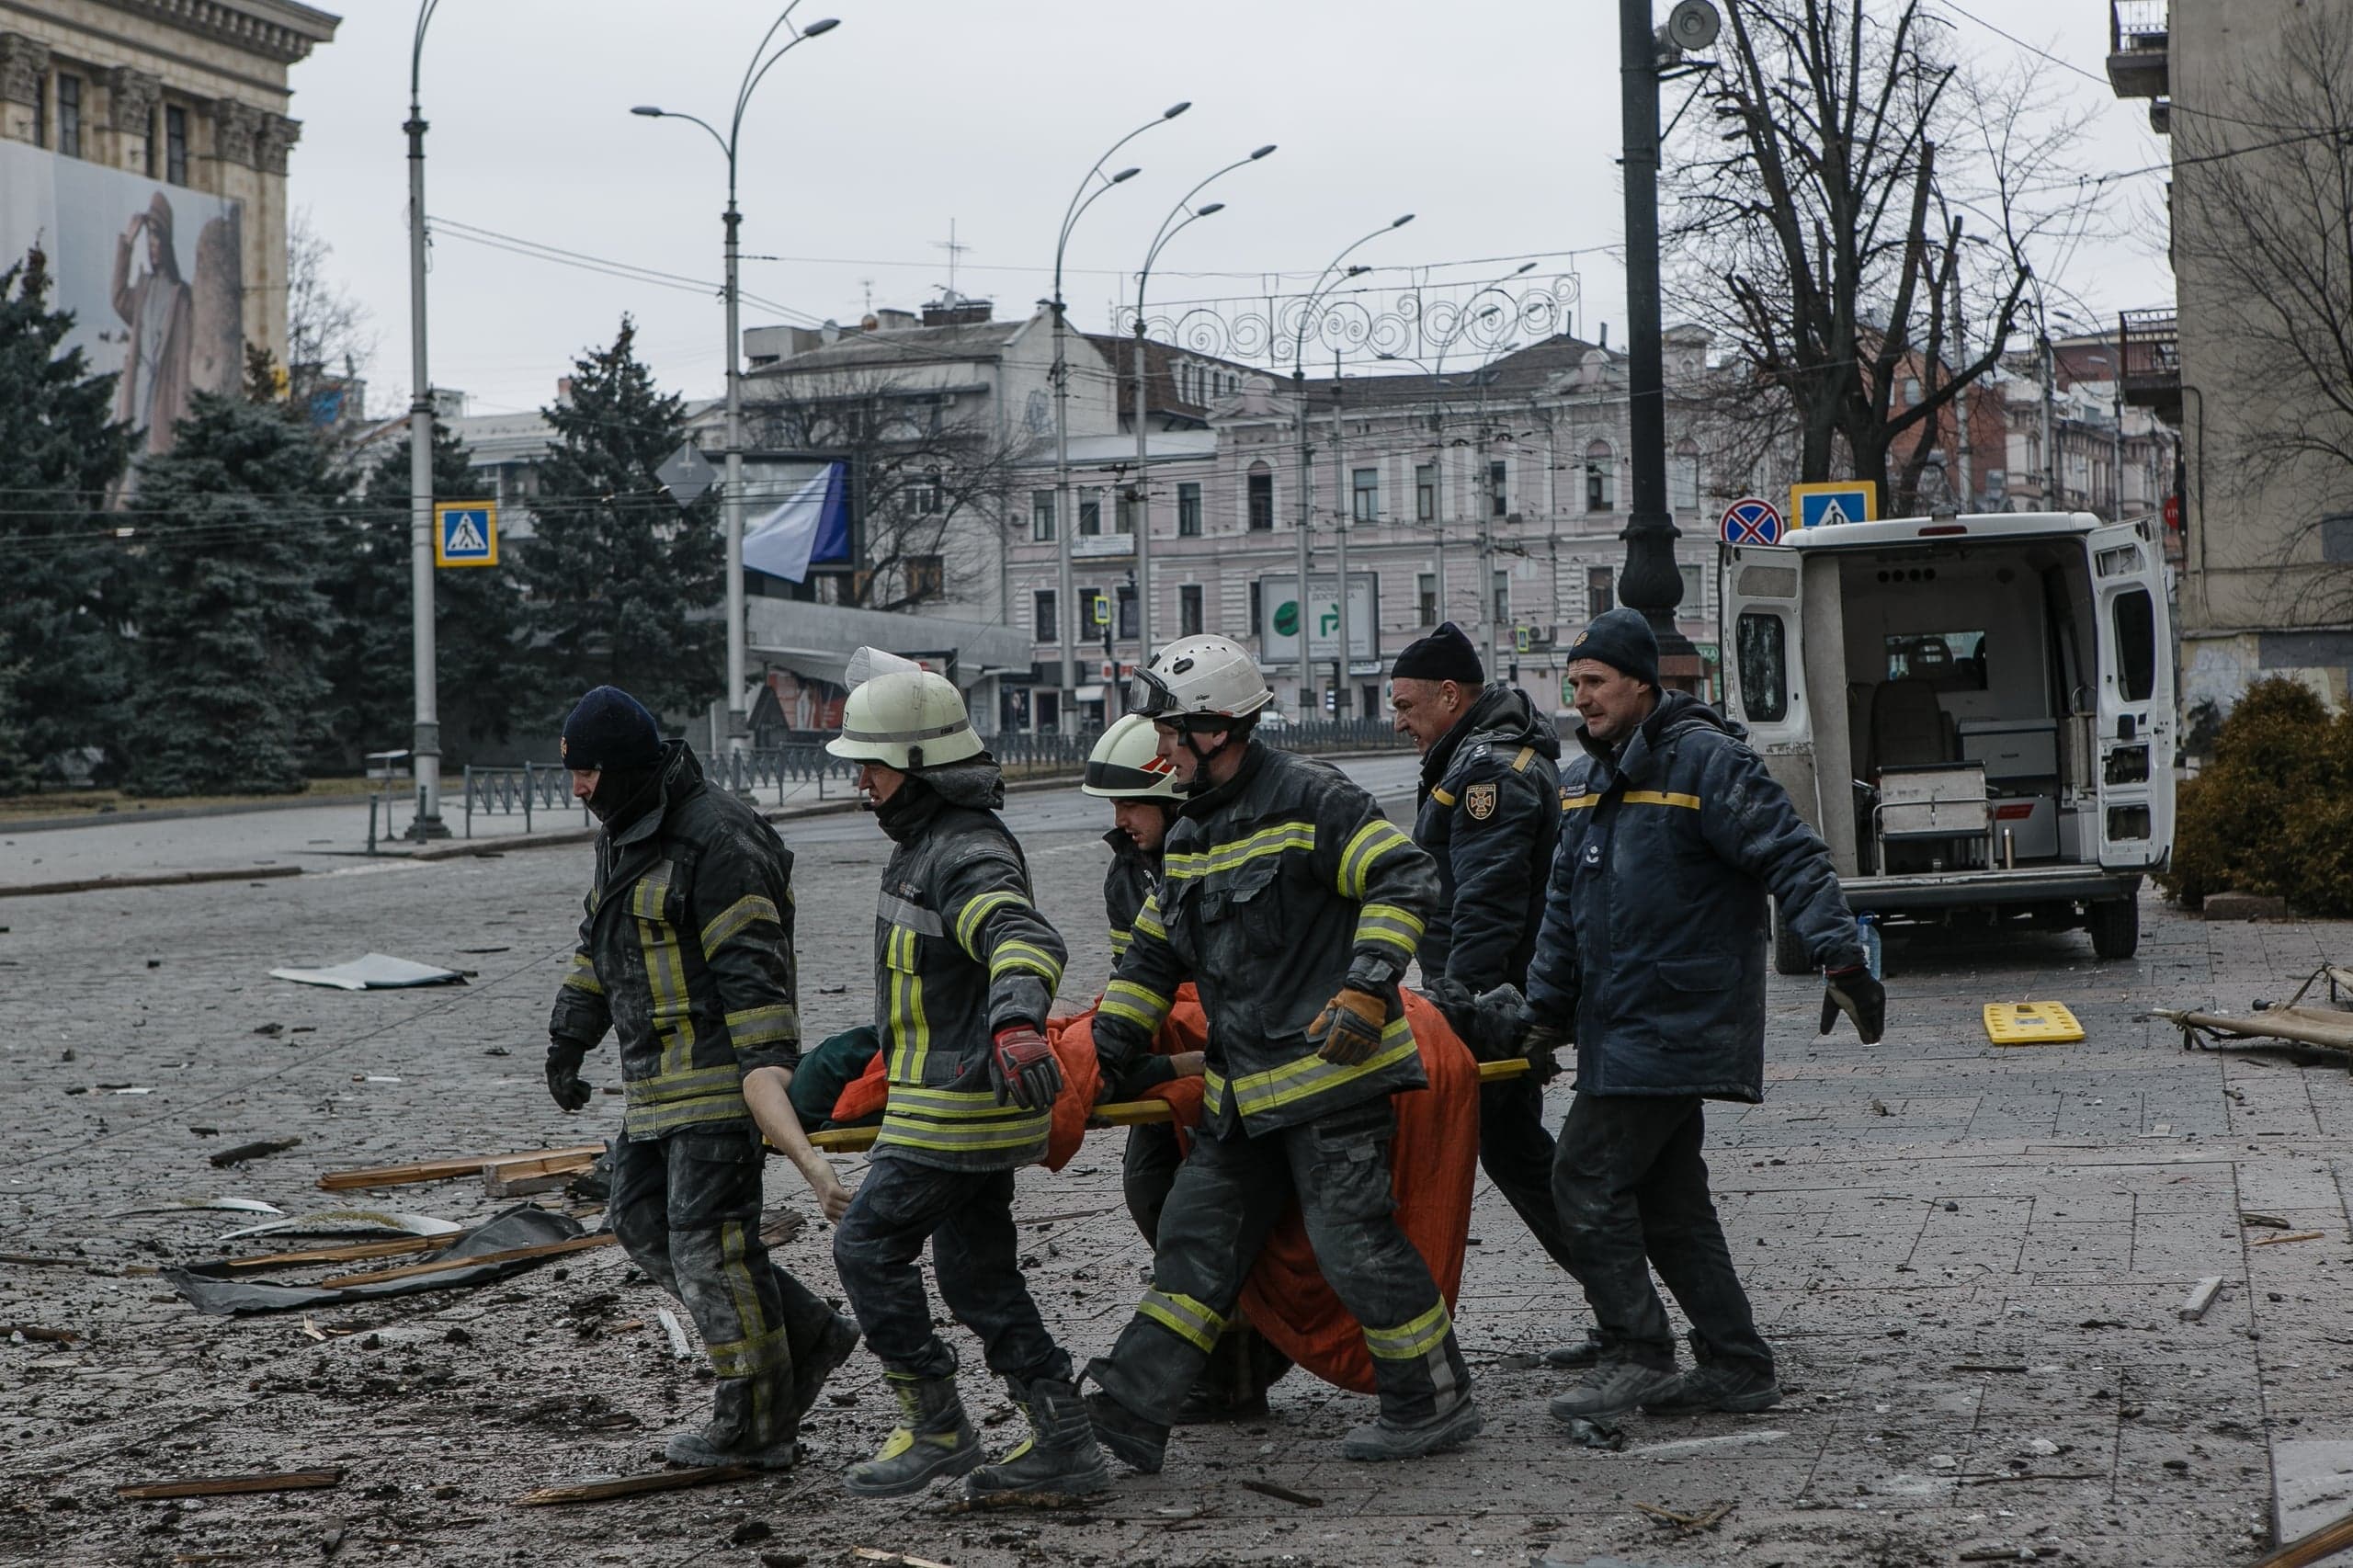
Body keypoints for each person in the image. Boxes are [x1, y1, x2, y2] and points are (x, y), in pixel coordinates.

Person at [1084, 634, 1481, 1470]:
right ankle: (1131, 1408)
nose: (1159, 750)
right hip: (1242, 1097)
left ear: (1216, 728)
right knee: (1194, 1240)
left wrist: (1370, 986)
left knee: (1352, 1245)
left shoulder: (1312, 799)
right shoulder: (1189, 836)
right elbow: (1152, 961)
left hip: (1330, 1084)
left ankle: (1433, 1398)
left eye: (1167, 731)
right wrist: (1102, 1054)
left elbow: (1402, 878)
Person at [1522, 608, 1886, 1425]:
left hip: (1674, 1019)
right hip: (1621, 1025)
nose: (1581, 698)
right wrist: (1544, 1011)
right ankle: (1736, 1362)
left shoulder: (1707, 763)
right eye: (1575, 684)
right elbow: (1563, 910)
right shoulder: (1588, 780)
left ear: (1642, 685)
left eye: (1596, 683)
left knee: (1582, 1177)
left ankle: (1638, 1352)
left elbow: (1792, 856)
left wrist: (1843, 958)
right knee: (1668, 1203)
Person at [545, 686, 858, 1472]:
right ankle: (810, 1338)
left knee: (711, 1248)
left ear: (622, 768)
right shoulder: (623, 829)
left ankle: (753, 1422)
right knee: (643, 1223)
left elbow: (757, 975)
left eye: (586, 773)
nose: (577, 790)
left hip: (721, 1082)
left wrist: (766, 1085)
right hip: (654, 1084)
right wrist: (568, 1035)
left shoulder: (720, 837)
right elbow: (599, 943)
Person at [822, 651, 1107, 1503]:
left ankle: (937, 1421)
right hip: (950, 1103)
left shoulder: (962, 850)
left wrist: (1018, 1022)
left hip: (956, 1113)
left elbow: (1023, 937)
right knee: (979, 1276)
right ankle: (1063, 1435)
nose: (861, 783)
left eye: (870, 765)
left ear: (913, 765)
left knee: (867, 1246)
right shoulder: (930, 842)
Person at [1387, 621, 1601, 1371]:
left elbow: (1486, 902)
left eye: (1409, 706)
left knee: (1519, 1154)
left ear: (1452, 696)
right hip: (1497, 997)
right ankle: (1621, 1306)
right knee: (1519, 1153)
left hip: (1492, 1001)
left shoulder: (1488, 775)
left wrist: (1460, 1009)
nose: (1401, 721)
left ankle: (1625, 1306)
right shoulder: (1478, 759)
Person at [1080, 715, 1289, 1420]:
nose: (1120, 820)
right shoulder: (1127, 871)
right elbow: (1137, 978)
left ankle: (1240, 1368)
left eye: (1132, 805)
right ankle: (1232, 1353)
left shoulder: (1231, 844)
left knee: (1223, 1214)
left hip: (1255, 1056)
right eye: (1112, 806)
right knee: (1151, 1194)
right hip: (1181, 1051)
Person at [111, 191, 194, 457]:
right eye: (149, 238)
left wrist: (183, 412)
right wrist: (127, 245)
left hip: (164, 393)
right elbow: (119, 299)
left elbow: (183, 356)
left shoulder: (181, 295)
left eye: (157, 237)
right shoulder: (144, 287)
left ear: (167, 241)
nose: (152, 245)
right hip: (138, 387)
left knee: (158, 454)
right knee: (132, 459)